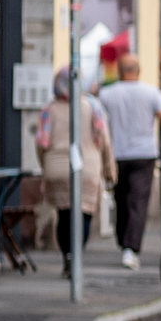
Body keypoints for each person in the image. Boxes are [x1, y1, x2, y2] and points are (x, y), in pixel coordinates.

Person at [93, 52, 161, 269]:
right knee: (138, 202)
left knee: (122, 199)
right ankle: (130, 248)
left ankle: (125, 242)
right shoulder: (151, 92)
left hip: (117, 154)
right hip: (144, 155)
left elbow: (96, 122)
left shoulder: (107, 94)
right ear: (138, 71)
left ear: (120, 71)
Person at [35, 68, 112, 268]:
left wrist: (46, 167)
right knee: (85, 213)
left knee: (63, 214)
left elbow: (41, 144)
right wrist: (109, 169)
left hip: (56, 169)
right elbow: (103, 140)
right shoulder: (93, 106)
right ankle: (77, 255)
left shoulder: (48, 110)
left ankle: (67, 256)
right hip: (88, 168)